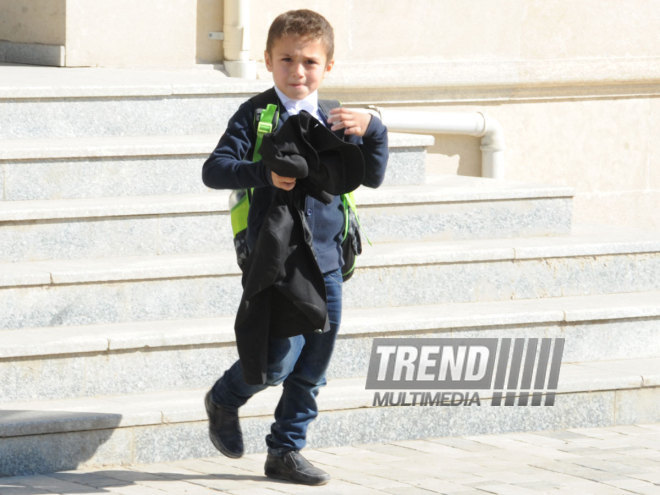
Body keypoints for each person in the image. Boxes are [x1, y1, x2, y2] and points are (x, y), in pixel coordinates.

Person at [201, 9, 388, 486]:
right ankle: (225, 397)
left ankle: (286, 450)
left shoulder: (341, 118)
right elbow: (215, 169)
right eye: (286, 59)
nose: (297, 71)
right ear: (267, 60)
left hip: (326, 261)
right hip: (275, 263)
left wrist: (377, 130)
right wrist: (262, 173)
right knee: (273, 363)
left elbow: (371, 176)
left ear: (328, 67)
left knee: (312, 368)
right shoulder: (256, 115)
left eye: (309, 61)